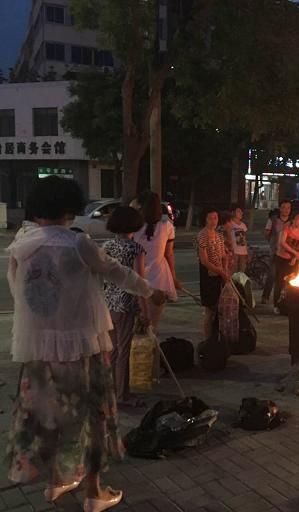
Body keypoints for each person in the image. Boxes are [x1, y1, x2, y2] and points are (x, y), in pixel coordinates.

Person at [5, 176, 165, 512]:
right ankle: (94, 492)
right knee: (93, 416)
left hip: (38, 348)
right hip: (82, 345)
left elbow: (18, 291)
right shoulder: (78, 243)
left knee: (48, 416)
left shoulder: (21, 245)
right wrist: (151, 291)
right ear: (69, 209)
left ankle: (55, 482)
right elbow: (117, 272)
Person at [104, 206, 148, 408]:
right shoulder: (135, 249)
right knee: (124, 351)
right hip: (126, 303)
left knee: (112, 351)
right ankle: (123, 394)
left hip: (108, 302)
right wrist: (144, 311)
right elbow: (139, 282)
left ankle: (111, 391)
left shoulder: (107, 246)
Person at [134, 192, 182, 332]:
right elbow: (169, 254)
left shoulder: (134, 227)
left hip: (137, 278)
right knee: (153, 327)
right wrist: (173, 278)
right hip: (160, 279)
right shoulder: (167, 226)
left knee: (138, 327)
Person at [197, 208, 229, 338]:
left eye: (215, 218)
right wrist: (220, 271)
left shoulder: (219, 236)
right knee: (209, 309)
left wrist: (225, 269)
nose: (213, 221)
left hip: (219, 275)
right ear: (205, 219)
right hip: (208, 275)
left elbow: (223, 256)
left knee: (219, 308)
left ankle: (216, 336)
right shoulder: (202, 236)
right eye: (210, 218)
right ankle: (208, 339)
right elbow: (204, 261)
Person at [273, 212, 299, 314]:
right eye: (298, 219)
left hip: (294, 261)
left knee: (292, 282)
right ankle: (276, 305)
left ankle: (289, 304)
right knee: (280, 282)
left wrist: (295, 258)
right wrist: (294, 253)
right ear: (293, 220)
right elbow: (282, 243)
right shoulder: (286, 229)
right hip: (282, 259)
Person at [262, 199, 291, 304]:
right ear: (280, 208)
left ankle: (282, 297)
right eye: (284, 207)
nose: (286, 210)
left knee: (285, 275)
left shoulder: (291, 222)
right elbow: (266, 233)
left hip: (287, 252)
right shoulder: (273, 220)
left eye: (288, 208)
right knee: (272, 274)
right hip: (274, 251)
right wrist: (272, 241)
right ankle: (265, 296)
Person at [230, 204, 249, 273]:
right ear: (233, 212)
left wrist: (247, 251)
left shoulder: (243, 225)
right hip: (234, 252)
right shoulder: (230, 224)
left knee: (242, 272)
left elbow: (245, 239)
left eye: (241, 211)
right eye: (238, 211)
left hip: (243, 252)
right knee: (233, 271)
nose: (241, 213)